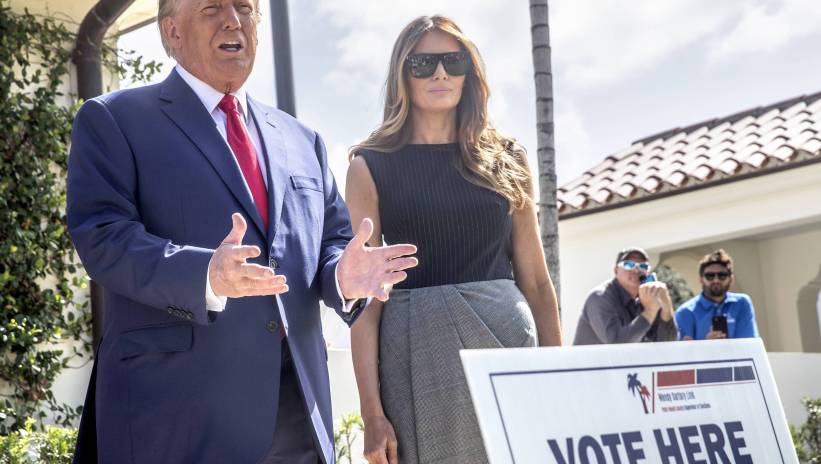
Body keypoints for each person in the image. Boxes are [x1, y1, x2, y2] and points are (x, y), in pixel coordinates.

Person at [66, 1, 417, 462]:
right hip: (177, 414)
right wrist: (205, 275)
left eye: (245, 7)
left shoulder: (302, 139)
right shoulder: (114, 119)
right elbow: (103, 237)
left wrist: (342, 277)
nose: (233, 19)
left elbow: (330, 243)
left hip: (297, 412)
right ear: (172, 31)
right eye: (213, 7)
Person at [344, 15, 563, 464]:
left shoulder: (508, 159)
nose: (440, 73)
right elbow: (366, 302)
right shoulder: (368, 167)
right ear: (402, 75)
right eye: (423, 64)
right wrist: (372, 413)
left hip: (508, 355)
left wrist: (557, 375)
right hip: (417, 360)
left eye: (453, 61)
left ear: (470, 71)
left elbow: (538, 283)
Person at [574, 247, 677, 345]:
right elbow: (616, 343)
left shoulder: (646, 298)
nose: (636, 270)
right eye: (629, 265)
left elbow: (667, 343)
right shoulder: (600, 297)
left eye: (643, 266)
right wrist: (649, 311)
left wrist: (666, 307)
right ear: (616, 270)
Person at [676, 249, 759, 340]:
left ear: (731, 279)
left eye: (722, 275)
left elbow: (748, 343)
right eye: (710, 276)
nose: (716, 280)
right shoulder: (685, 312)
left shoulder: (741, 303)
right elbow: (684, 348)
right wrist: (707, 344)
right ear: (701, 279)